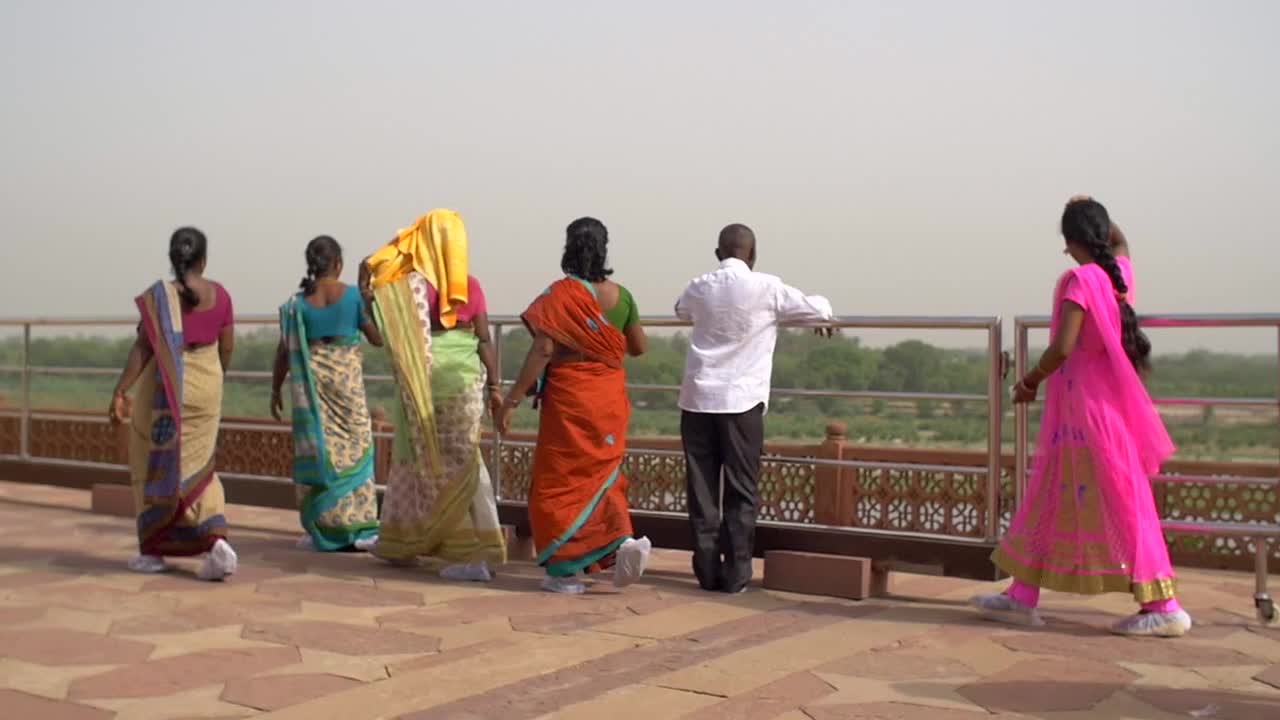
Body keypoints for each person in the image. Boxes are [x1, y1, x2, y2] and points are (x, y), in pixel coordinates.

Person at [971, 197, 1192, 637]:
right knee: (1053, 492)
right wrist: (1093, 211)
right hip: (1099, 408)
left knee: (1121, 499)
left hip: (1085, 411)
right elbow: (1122, 240)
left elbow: (1062, 347)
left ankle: (1163, 604)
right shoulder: (1118, 276)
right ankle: (1022, 594)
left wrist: (1030, 380)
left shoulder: (1079, 282)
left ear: (1071, 242)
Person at [675, 224, 834, 594]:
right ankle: (737, 573)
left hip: (698, 399)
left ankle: (706, 569)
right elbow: (816, 308)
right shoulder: (768, 288)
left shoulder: (700, 286)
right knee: (741, 489)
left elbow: (681, 310)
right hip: (742, 402)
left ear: (718, 254)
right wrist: (825, 315)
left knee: (701, 489)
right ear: (753, 254)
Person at [495, 217, 651, 594]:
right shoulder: (622, 296)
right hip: (608, 397)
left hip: (569, 398)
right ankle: (622, 543)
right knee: (604, 476)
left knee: (559, 482)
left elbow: (544, 349)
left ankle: (564, 573)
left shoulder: (561, 295)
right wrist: (604, 336)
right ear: (604, 248)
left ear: (568, 248)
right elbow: (639, 347)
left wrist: (512, 400)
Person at [360, 209, 506, 581]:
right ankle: (474, 549)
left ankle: (439, 545)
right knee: (465, 462)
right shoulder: (470, 286)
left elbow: (383, 328)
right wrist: (495, 388)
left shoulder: (409, 286)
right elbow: (485, 341)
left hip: (421, 384)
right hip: (464, 383)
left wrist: (367, 289)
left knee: (424, 460)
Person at [108, 227, 238, 581]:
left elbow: (143, 348)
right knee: (200, 466)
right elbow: (226, 347)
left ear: (172, 258)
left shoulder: (161, 298)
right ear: (204, 259)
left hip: (165, 387)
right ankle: (214, 540)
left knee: (152, 460)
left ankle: (153, 550)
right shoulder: (221, 295)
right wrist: (214, 378)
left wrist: (120, 390)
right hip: (206, 385)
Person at [272, 236, 383, 552]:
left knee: (320, 450)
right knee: (357, 449)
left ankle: (321, 528)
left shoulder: (296, 306)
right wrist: (370, 301)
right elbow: (377, 339)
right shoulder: (352, 298)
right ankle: (360, 529)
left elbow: (284, 352)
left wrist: (274, 389)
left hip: (311, 391)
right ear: (338, 264)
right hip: (347, 390)